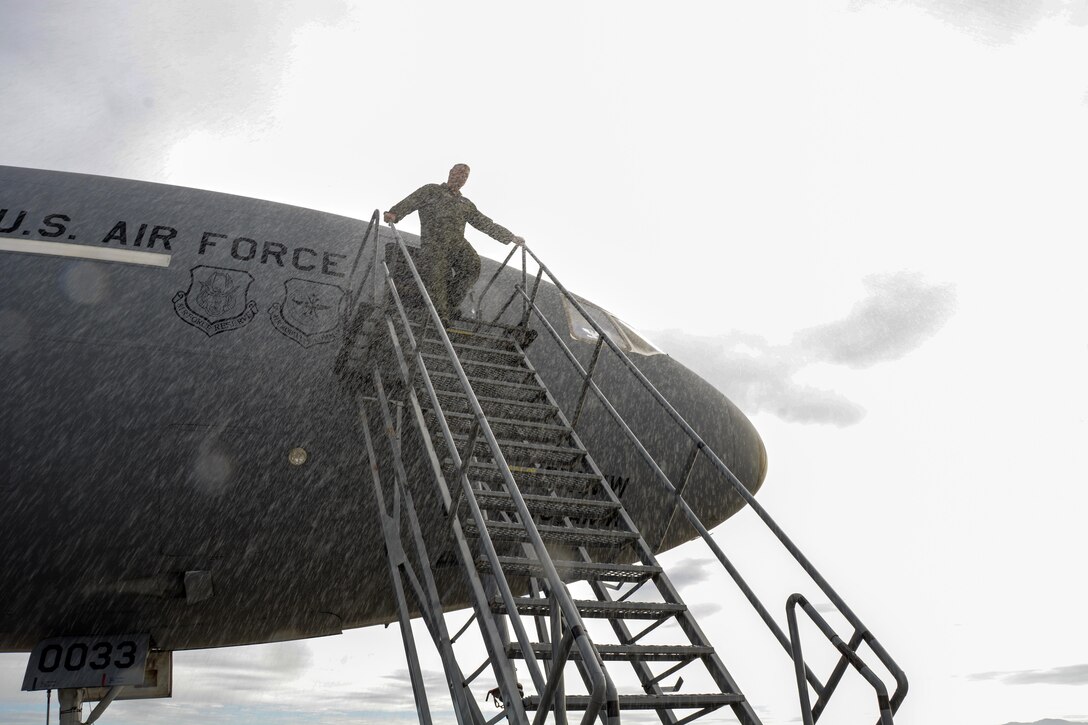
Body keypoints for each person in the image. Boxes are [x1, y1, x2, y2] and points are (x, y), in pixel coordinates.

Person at [385, 164, 524, 322]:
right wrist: (394, 213)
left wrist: (510, 236)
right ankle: (440, 316)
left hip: (457, 243)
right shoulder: (432, 191)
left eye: (465, 176)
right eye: (460, 173)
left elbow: (484, 223)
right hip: (434, 243)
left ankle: (450, 304)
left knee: (472, 266)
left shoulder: (465, 203)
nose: (462, 177)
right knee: (437, 277)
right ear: (451, 173)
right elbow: (411, 201)